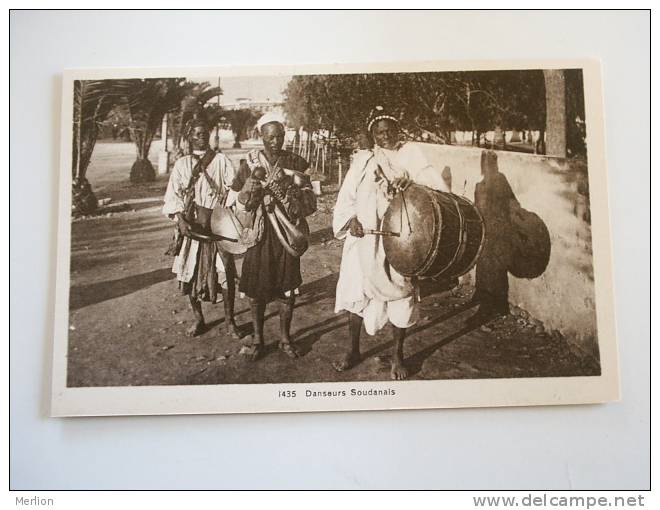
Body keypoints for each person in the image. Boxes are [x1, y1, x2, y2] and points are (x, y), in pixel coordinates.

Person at [332, 106, 452, 380]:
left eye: (389, 131)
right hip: (364, 239)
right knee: (357, 294)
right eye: (379, 132)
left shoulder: (411, 156)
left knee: (402, 294)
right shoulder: (364, 160)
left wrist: (409, 183)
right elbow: (347, 196)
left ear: (397, 131)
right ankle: (353, 350)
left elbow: (434, 194)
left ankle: (397, 356)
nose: (385, 136)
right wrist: (351, 220)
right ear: (373, 135)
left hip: (401, 240)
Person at [236, 112, 316, 361]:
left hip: (286, 235)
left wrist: (291, 189)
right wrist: (249, 191)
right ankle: (259, 339)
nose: (275, 141)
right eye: (270, 137)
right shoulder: (248, 164)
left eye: (280, 136)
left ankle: (285, 338)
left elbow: (310, 202)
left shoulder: (296, 162)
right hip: (259, 235)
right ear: (261, 136)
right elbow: (236, 202)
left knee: (287, 288)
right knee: (257, 291)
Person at [163, 117, 244, 338]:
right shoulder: (182, 164)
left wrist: (231, 199)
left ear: (209, 135)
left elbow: (234, 190)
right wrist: (180, 219)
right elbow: (173, 195)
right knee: (189, 270)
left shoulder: (220, 160)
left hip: (218, 224)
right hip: (192, 225)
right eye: (196, 134)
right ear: (189, 137)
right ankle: (199, 319)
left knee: (225, 271)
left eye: (204, 133)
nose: (201, 137)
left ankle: (230, 320)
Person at [467, 150, 519, 327]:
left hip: (499, 234)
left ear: (495, 164)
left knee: (495, 271)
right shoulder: (479, 186)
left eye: (491, 162)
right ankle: (482, 296)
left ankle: (491, 307)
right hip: (485, 233)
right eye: (485, 163)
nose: (488, 166)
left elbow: (512, 204)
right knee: (482, 267)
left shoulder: (500, 181)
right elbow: (477, 209)